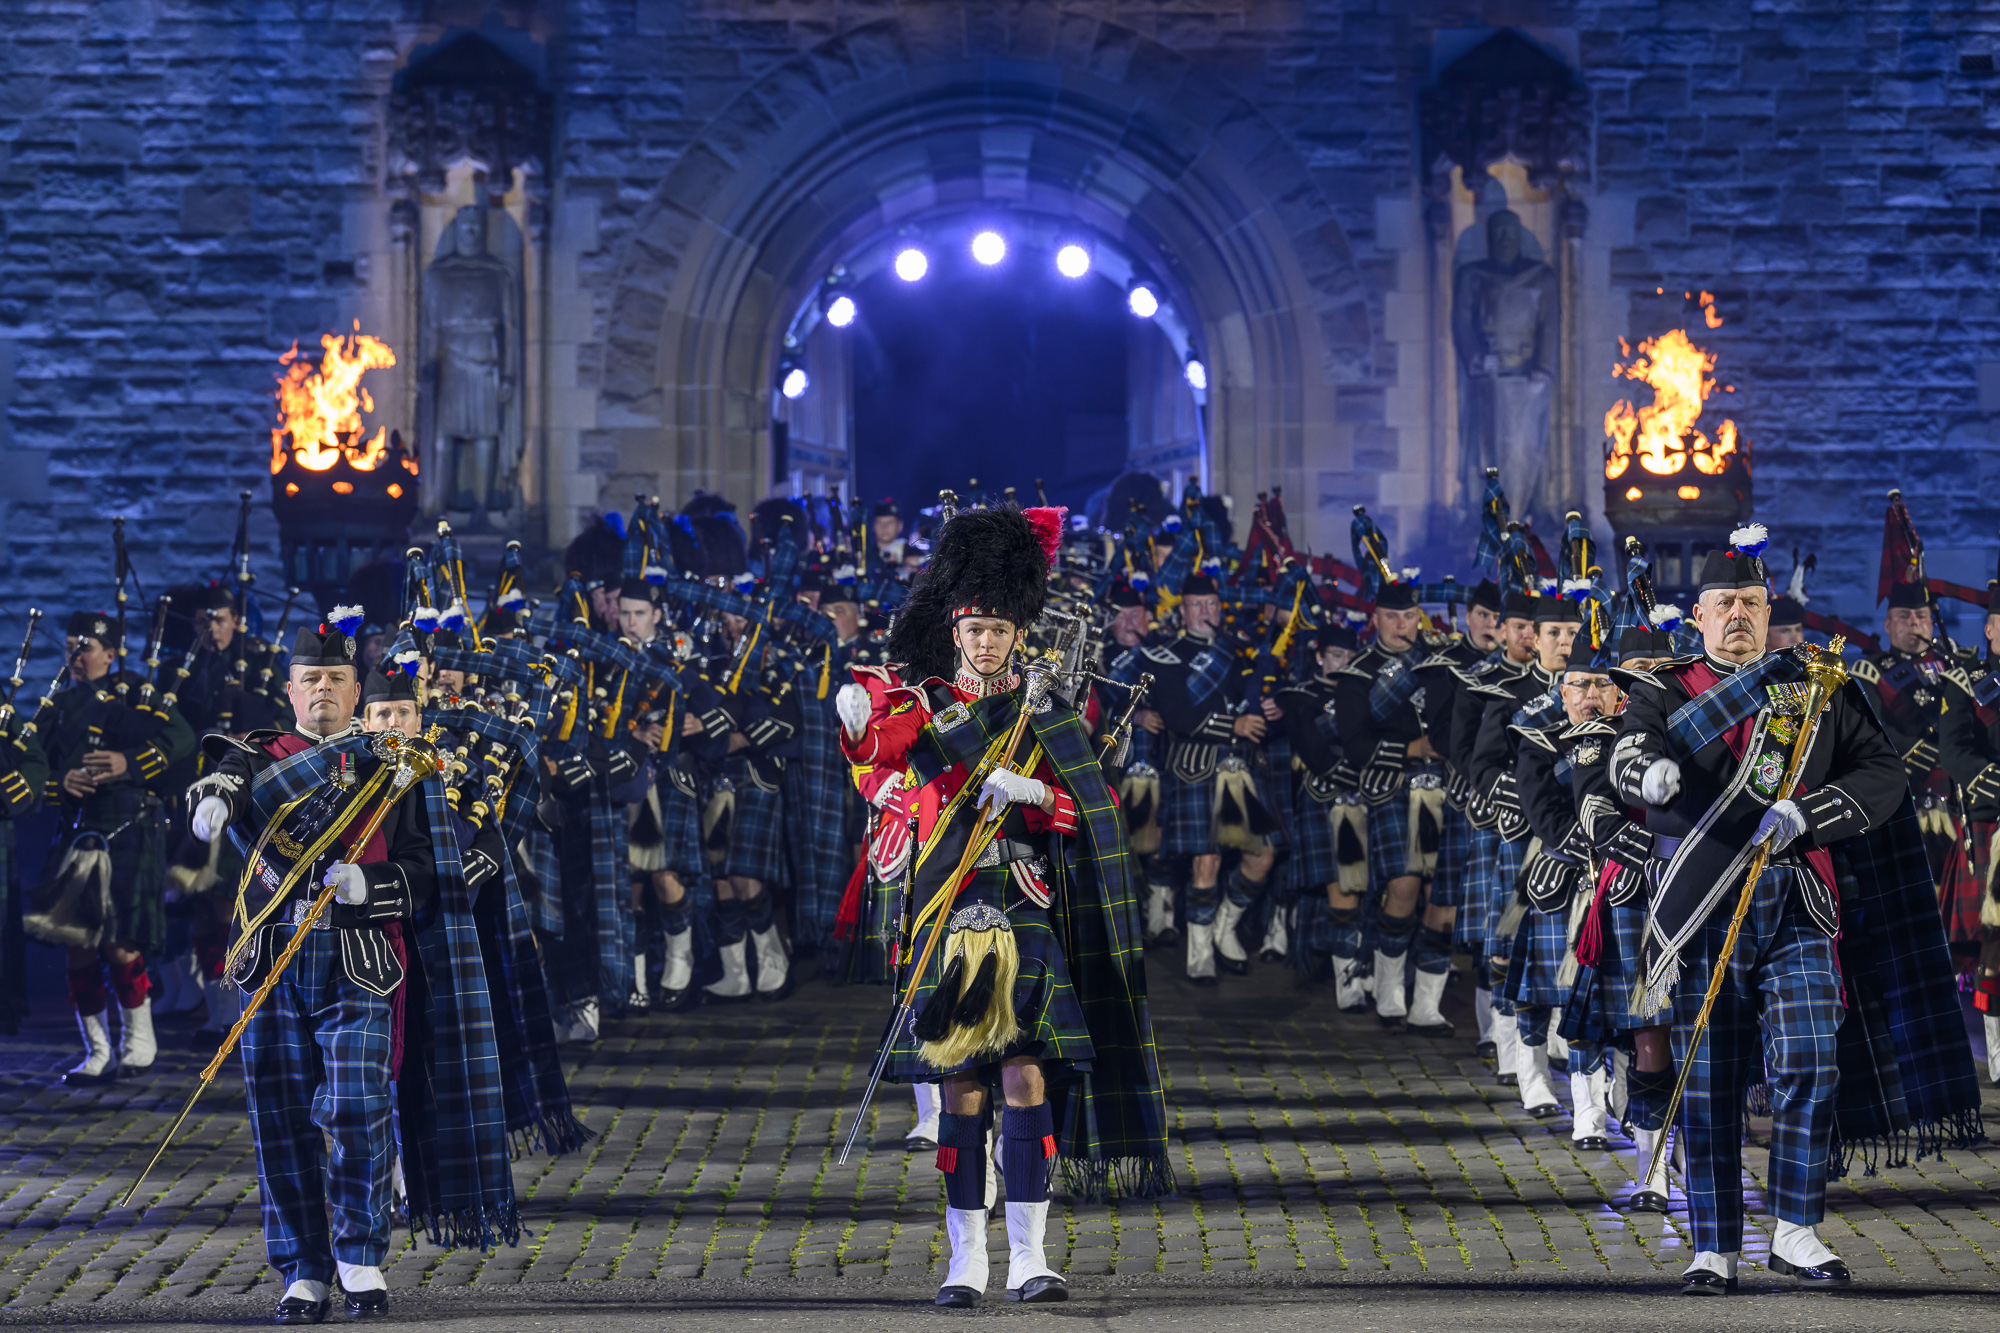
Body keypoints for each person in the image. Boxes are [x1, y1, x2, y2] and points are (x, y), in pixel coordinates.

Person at [1612, 529, 1978, 1293]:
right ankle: (1714, 1243)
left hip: (1798, 900)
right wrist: (1649, 778)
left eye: (1750, 602)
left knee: (1812, 1057)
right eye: (1724, 604)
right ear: (1699, 615)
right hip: (1706, 904)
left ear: (1768, 608)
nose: (1738, 615)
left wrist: (1808, 814)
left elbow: (1882, 777)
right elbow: (1631, 753)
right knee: (1709, 1075)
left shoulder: (1816, 685)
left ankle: (1796, 1228)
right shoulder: (1665, 689)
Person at [836, 504, 1171, 1307]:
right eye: (974, 628)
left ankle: (1030, 1254)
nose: (986, 641)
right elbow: (882, 747)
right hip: (950, 911)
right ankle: (966, 1260)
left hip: (1022, 905)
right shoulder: (925, 703)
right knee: (961, 1090)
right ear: (954, 631)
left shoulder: (1049, 711)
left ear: (1019, 633)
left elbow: (1088, 812)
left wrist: (1033, 793)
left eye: (998, 628)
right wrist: (856, 729)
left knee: (1026, 1078)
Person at [186, 621, 518, 1322]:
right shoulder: (261, 757)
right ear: (291, 691)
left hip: (360, 958)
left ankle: (359, 1255)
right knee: (279, 1118)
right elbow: (230, 778)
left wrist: (374, 885)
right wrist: (211, 798)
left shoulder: (395, 763)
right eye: (311, 679)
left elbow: (433, 866)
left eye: (336, 680)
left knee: (361, 1110)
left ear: (357, 691)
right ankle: (302, 1269)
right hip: (275, 959)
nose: (324, 691)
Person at [31, 610, 195, 1085]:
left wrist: (129, 762)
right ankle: (97, 1051)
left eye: (85, 648)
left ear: (110, 653)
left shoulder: (140, 697)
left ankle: (138, 1041)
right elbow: (34, 767)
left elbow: (181, 738)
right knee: (77, 944)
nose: (76, 657)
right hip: (79, 828)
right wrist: (62, 781)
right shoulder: (56, 706)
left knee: (121, 945)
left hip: (130, 824)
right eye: (70, 648)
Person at [1150, 571, 1279, 984]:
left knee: (1262, 856)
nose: (1205, 613)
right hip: (1196, 765)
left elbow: (1247, 702)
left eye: (1211, 605)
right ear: (1183, 611)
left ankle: (1224, 926)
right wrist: (1234, 726)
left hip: (1239, 767)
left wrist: (1267, 711)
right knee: (1207, 862)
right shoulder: (1167, 655)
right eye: (1196, 606)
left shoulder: (1235, 652)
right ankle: (1200, 953)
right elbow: (1179, 717)